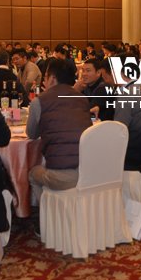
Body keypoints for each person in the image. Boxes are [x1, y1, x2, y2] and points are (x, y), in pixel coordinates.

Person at [27, 59, 92, 197]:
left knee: (33, 173)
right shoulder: (82, 99)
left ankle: (47, 209)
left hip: (61, 176)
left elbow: (31, 134)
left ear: (52, 78)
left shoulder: (39, 101)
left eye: (45, 77)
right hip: (88, 171)